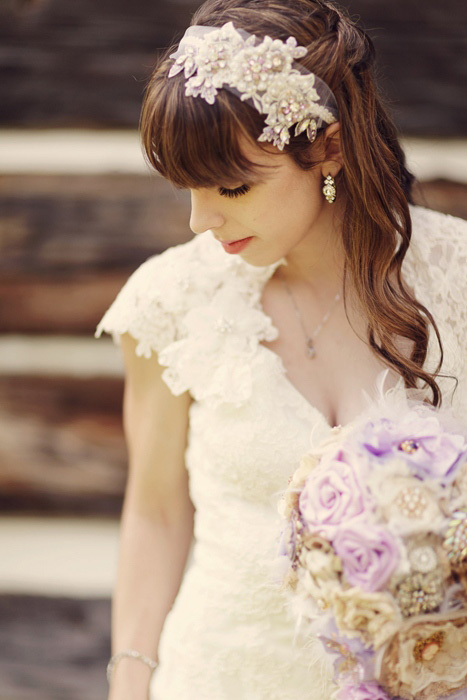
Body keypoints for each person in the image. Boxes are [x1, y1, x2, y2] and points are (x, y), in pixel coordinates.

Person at [95, 1, 467, 698]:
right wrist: (129, 679)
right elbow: (154, 509)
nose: (202, 221)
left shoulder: (459, 278)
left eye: (232, 186)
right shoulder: (171, 301)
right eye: (188, 190)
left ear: (325, 147)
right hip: (219, 676)